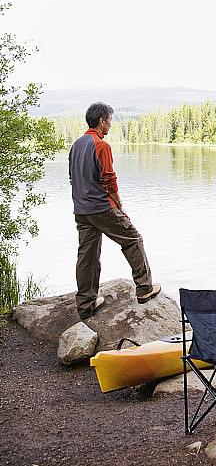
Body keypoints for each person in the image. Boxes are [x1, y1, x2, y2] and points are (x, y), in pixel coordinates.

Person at [68, 102, 160, 319]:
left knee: (87, 256)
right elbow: (109, 180)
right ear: (102, 121)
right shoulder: (101, 145)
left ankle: (86, 305)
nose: (111, 124)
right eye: (110, 120)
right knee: (133, 240)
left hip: (81, 210)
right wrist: (119, 205)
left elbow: (73, 178)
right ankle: (145, 288)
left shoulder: (76, 145)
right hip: (101, 207)